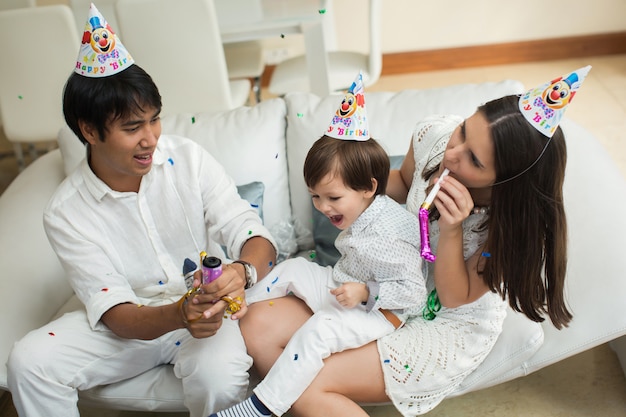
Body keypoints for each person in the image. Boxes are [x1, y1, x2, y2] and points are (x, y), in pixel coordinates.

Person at [236, 66, 591, 417]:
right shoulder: (435, 137)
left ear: (503, 182)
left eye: (474, 160)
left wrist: (453, 227)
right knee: (257, 326)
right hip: (386, 284)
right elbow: (404, 183)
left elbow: (454, 297)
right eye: (464, 131)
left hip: (444, 319)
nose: (452, 154)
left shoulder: (506, 227)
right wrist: (350, 183)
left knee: (304, 381)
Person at [5, 5, 276, 417]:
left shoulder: (188, 159)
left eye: (154, 120)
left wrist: (243, 271)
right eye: (132, 128)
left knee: (218, 375)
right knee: (28, 361)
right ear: (90, 131)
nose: (150, 138)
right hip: (132, 325)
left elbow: (250, 232)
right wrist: (177, 314)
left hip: (205, 315)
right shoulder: (65, 212)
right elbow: (115, 314)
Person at [211, 73, 427, 417]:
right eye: (315, 196)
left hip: (379, 313)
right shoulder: (363, 212)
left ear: (369, 187)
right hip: (341, 284)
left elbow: (414, 293)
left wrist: (367, 292)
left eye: (333, 197)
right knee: (296, 267)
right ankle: (236, 302)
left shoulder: (389, 234)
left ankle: (262, 406)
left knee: (320, 329)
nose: (323, 207)